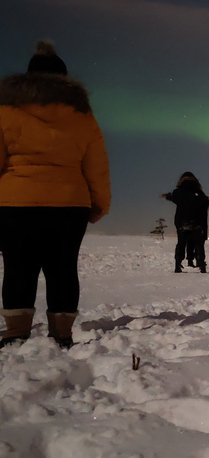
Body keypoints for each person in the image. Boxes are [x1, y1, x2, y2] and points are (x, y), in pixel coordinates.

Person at [0, 41, 111, 350]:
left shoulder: (6, 109)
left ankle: (15, 333)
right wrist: (100, 201)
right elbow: (96, 162)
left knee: (17, 267)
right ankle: (60, 335)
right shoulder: (81, 113)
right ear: (65, 78)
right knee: (63, 268)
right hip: (69, 204)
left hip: (15, 202)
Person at [162, 172, 209, 273]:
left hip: (181, 222)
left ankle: (177, 264)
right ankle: (201, 264)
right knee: (198, 243)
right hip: (196, 223)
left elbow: (172, 197)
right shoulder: (199, 193)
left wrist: (166, 196)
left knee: (181, 243)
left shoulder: (177, 192)